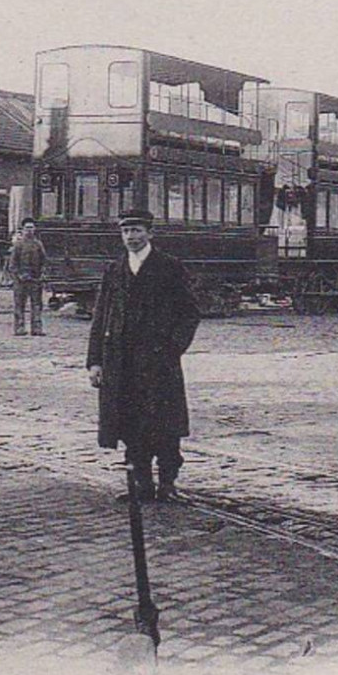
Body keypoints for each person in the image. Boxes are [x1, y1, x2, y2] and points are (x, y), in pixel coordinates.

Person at [87, 208, 201, 502]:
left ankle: (167, 484)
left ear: (150, 233)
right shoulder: (114, 270)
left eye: (137, 230)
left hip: (158, 362)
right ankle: (141, 485)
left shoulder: (169, 267)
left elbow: (189, 313)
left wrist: (173, 347)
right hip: (121, 364)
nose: (131, 237)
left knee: (165, 425)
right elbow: (100, 318)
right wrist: (95, 361)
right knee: (129, 423)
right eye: (126, 231)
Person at [6, 217, 48, 336]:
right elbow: (12, 264)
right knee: (19, 305)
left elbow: (44, 261)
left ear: (34, 229)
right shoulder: (18, 245)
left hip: (35, 279)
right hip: (21, 280)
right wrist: (19, 275)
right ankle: (19, 328)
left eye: (31, 228)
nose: (29, 230)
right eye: (27, 228)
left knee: (37, 305)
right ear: (23, 230)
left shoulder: (38, 244)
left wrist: (42, 274)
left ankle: (37, 328)